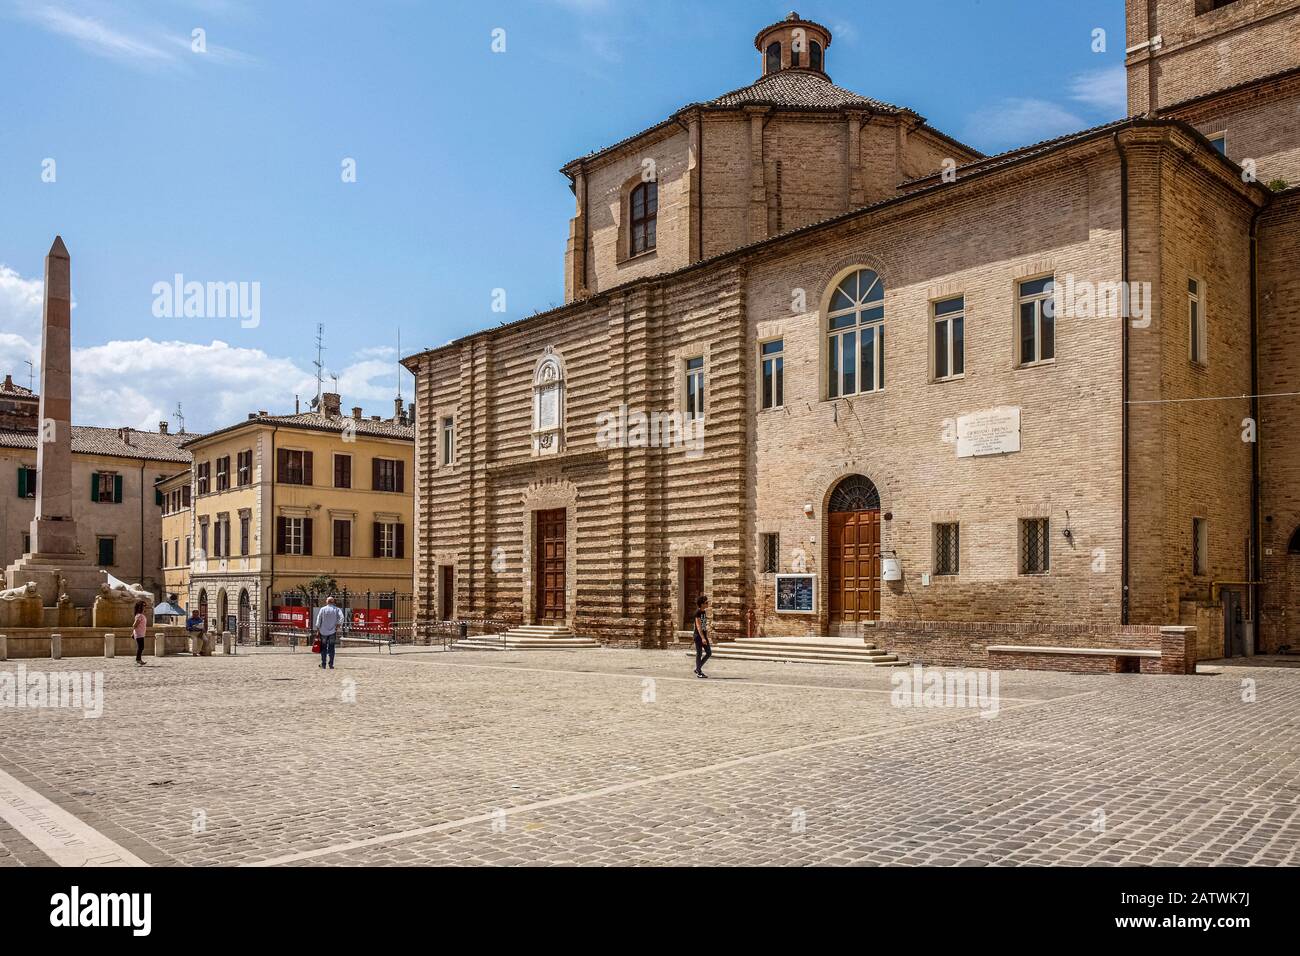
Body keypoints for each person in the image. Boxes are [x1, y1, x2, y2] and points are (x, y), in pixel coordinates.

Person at [316, 595, 345, 670]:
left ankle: (323, 664)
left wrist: (318, 628)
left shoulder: (323, 609)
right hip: (332, 631)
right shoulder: (337, 609)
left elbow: (319, 619)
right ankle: (331, 664)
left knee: (323, 648)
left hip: (323, 631)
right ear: (333, 602)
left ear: (327, 601)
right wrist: (338, 625)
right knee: (331, 648)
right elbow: (342, 617)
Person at [692, 594, 711, 678]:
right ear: (702, 604)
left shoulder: (703, 612)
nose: (708, 603)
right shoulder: (698, 612)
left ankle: (697, 668)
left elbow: (703, 625)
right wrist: (703, 638)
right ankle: (699, 672)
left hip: (703, 635)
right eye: (706, 602)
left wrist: (706, 634)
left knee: (709, 653)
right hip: (698, 636)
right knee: (699, 653)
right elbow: (699, 626)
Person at [132, 601, 147, 666]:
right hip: (139, 634)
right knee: (141, 647)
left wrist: (133, 633)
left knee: (141, 647)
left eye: (145, 606)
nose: (144, 607)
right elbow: (134, 625)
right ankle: (138, 660)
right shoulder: (139, 615)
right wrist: (134, 632)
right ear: (140, 607)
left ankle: (139, 659)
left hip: (141, 633)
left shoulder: (140, 615)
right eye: (143, 606)